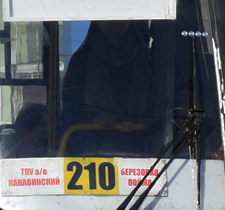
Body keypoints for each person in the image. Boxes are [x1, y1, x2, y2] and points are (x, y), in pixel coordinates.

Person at [59, 20, 157, 155]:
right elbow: (70, 113)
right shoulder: (81, 60)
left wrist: (146, 121)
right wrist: (94, 121)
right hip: (92, 152)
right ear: (97, 22)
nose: (114, 21)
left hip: (142, 152)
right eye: (107, 17)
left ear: (130, 21)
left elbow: (161, 109)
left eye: (119, 17)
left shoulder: (148, 59)